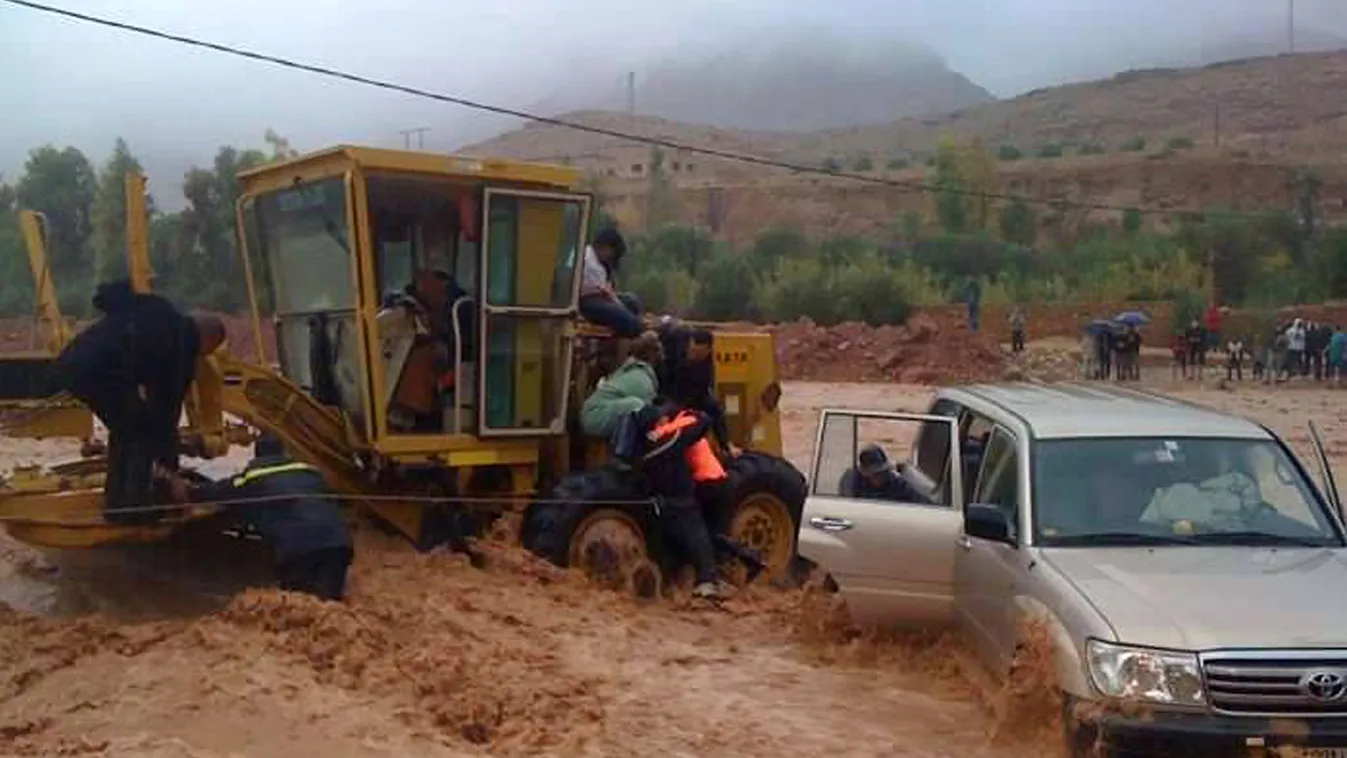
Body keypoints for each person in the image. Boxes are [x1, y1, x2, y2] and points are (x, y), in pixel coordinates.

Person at [56, 279, 227, 525]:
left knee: (127, 429)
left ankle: (117, 504)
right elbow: (166, 411)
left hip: (74, 365)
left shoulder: (158, 313)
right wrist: (171, 469)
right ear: (208, 340)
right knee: (140, 432)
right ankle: (134, 509)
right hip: (100, 372)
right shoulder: (181, 344)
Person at [164, 434, 354, 601]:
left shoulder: (254, 477)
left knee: (299, 608)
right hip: (338, 545)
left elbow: (221, 491)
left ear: (257, 455)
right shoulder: (312, 473)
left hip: (298, 550)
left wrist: (187, 491)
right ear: (284, 452)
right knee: (329, 607)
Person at [634, 403, 731, 601]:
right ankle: (707, 582)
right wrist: (687, 414)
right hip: (691, 494)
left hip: (663, 502)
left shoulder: (644, 444)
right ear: (658, 422)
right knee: (700, 537)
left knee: (674, 546)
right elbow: (702, 421)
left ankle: (670, 587)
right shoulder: (670, 435)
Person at [656, 324, 730, 449]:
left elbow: (703, 387)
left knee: (714, 408)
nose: (693, 352)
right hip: (671, 393)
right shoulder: (675, 355)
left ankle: (726, 445)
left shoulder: (706, 364)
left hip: (693, 396)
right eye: (692, 349)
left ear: (708, 350)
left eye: (698, 351)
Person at [579, 331, 662, 440]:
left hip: (591, 414)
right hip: (594, 418)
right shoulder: (641, 378)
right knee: (638, 406)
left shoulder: (629, 369)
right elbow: (645, 416)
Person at [579, 228, 642, 338]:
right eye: (613, 253)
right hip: (587, 300)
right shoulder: (588, 260)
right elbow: (606, 293)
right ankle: (625, 347)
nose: (611, 257)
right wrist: (620, 306)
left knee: (632, 302)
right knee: (627, 320)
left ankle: (629, 329)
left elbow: (608, 290)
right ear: (605, 247)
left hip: (599, 295)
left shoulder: (600, 261)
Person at [838, 444, 926, 503]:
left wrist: (905, 470)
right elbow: (847, 505)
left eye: (882, 472)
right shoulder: (854, 481)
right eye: (875, 474)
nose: (880, 477)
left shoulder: (896, 484)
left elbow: (922, 500)